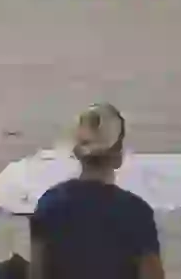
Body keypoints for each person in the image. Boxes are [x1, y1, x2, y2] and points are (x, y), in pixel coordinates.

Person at [29, 103, 163, 279]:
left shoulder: (49, 205)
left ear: (77, 152)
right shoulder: (137, 213)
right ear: (118, 157)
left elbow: (37, 275)